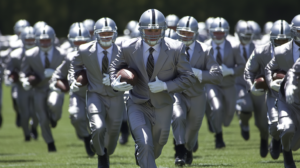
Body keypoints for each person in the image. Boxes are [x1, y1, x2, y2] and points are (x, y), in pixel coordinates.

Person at [109, 9, 196, 168]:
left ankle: (142, 155)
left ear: (163, 30)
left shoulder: (176, 48)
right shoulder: (127, 47)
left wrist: (165, 86)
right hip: (137, 103)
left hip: (163, 104)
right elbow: (114, 68)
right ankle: (143, 152)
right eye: (149, 30)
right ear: (141, 29)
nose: (153, 33)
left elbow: (188, 77)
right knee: (145, 143)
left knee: (158, 145)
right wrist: (114, 82)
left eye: (156, 30)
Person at [71, 17, 125, 168]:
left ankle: (105, 150)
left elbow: (131, 69)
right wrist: (73, 80)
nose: (106, 36)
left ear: (115, 34)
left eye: (109, 33)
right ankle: (101, 157)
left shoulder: (123, 49)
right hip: (95, 93)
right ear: (96, 34)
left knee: (113, 133)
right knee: (98, 127)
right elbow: (73, 66)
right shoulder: (85, 49)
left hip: (116, 95)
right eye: (103, 33)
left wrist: (117, 79)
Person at [172, 16, 222, 166]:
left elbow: (217, 75)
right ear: (178, 32)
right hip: (177, 92)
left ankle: (187, 149)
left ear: (195, 33)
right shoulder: (170, 47)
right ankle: (179, 151)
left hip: (197, 94)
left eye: (189, 33)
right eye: (183, 32)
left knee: (193, 128)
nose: (186, 36)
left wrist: (198, 73)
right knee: (178, 117)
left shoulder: (205, 49)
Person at [245, 19, 292, 160]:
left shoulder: (296, 51)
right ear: (271, 39)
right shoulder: (261, 51)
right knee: (273, 124)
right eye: (278, 41)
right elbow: (248, 71)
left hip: (293, 94)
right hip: (273, 94)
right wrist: (251, 86)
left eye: (285, 41)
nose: (282, 45)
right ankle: (276, 140)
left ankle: (287, 152)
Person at [49, 22, 94, 156]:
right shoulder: (70, 57)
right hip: (78, 94)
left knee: (98, 122)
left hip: (96, 93)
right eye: (77, 42)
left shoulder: (96, 54)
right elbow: (58, 74)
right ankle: (86, 139)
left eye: (83, 41)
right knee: (76, 116)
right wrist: (59, 84)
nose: (80, 45)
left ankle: (98, 143)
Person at [20, 25, 66, 152]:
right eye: (42, 40)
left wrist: (56, 73)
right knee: (42, 117)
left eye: (47, 40)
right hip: (39, 89)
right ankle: (50, 143)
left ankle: (55, 118)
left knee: (54, 104)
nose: (45, 43)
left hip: (55, 87)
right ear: (37, 40)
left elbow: (67, 71)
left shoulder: (61, 53)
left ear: (52, 39)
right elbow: (24, 72)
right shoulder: (30, 54)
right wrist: (25, 80)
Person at [204, 17, 246, 148]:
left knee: (228, 118)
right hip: (212, 84)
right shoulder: (205, 45)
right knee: (217, 108)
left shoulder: (233, 46)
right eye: (215, 32)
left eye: (221, 32)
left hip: (228, 84)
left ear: (226, 32)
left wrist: (230, 71)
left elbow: (242, 66)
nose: (218, 35)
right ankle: (219, 137)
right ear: (210, 32)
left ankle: (215, 122)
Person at [265, 15, 300, 168]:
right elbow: (268, 69)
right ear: (293, 31)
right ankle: (287, 155)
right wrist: (272, 82)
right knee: (286, 129)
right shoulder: (281, 51)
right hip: (286, 98)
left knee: (296, 142)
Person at [234, 20, 269, 157]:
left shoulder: (259, 47)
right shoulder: (232, 48)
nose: (247, 36)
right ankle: (244, 123)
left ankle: (264, 139)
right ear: (238, 34)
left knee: (263, 120)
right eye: (244, 34)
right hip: (240, 85)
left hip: (256, 85)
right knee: (245, 107)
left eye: (249, 34)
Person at [5, 26, 39, 140]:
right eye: (27, 39)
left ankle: (34, 128)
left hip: (36, 86)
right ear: (23, 39)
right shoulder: (15, 54)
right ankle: (27, 134)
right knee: (24, 114)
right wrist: (10, 78)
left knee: (36, 113)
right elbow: (9, 69)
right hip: (21, 87)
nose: (30, 41)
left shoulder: (39, 52)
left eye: (32, 39)